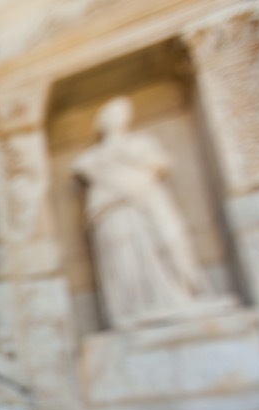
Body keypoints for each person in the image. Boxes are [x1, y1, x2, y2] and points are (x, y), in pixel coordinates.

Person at [74, 96, 223, 329]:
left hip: (147, 199)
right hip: (114, 210)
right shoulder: (91, 157)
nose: (116, 118)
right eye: (111, 113)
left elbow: (161, 163)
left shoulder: (141, 144)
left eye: (120, 113)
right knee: (125, 259)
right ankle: (132, 309)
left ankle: (186, 293)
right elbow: (82, 167)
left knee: (170, 243)